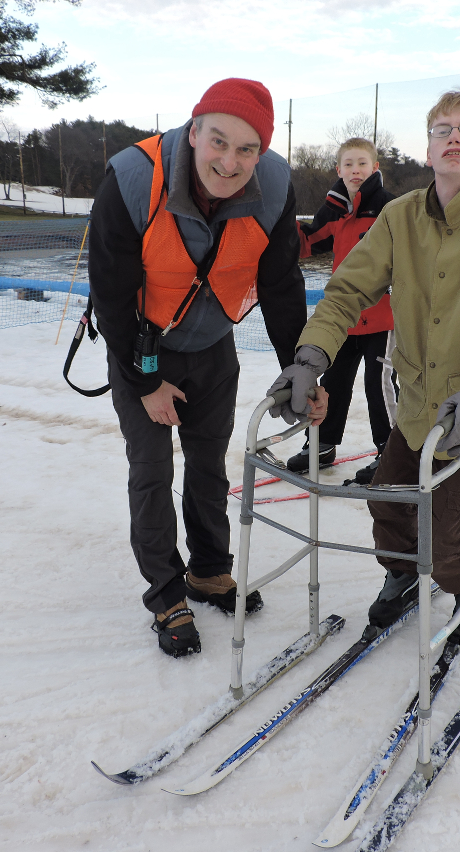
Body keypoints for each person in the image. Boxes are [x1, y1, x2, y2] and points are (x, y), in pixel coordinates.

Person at [268, 91, 460, 644]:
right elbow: (346, 292)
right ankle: (402, 573)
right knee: (389, 500)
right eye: (443, 129)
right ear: (427, 150)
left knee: (447, 531)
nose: (454, 137)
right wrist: (310, 358)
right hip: (418, 404)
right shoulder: (401, 217)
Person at [88, 78, 326, 658]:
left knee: (209, 464)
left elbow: (280, 282)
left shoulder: (272, 187)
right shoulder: (130, 179)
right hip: (141, 344)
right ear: (193, 132)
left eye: (247, 149)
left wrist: (301, 371)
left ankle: (209, 570)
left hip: (213, 345)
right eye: (218, 141)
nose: (230, 161)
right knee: (150, 469)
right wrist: (145, 382)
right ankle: (167, 593)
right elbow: (111, 295)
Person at [286, 138, 397, 484]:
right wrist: (279, 222)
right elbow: (308, 242)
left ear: (375, 168)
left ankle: (391, 455)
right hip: (345, 318)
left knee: (379, 385)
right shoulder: (334, 209)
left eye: (362, 164)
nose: (355, 170)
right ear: (338, 170)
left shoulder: (389, 208)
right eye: (348, 164)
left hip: (384, 317)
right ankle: (321, 445)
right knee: (332, 382)